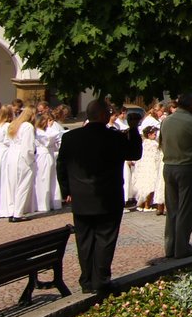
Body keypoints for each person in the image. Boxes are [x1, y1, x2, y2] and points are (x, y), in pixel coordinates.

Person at [57, 99, 142, 295]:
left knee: (84, 240)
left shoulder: (71, 137)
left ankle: (87, 280)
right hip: (108, 196)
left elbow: (61, 165)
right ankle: (101, 279)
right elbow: (134, 153)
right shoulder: (113, 137)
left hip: (81, 197)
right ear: (103, 115)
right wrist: (133, 129)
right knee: (105, 239)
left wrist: (67, 190)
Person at [159, 90, 192, 260]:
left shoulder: (166, 121)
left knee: (173, 209)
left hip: (169, 166)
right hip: (188, 167)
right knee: (188, 209)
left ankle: (170, 246)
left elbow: (161, 143)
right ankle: (182, 247)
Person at [4, 107, 38, 221]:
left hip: (11, 155)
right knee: (23, 185)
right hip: (22, 157)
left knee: (12, 185)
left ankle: (11, 211)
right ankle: (18, 213)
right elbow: (28, 147)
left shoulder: (14, 124)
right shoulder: (28, 126)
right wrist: (31, 159)